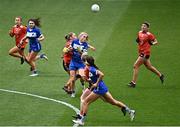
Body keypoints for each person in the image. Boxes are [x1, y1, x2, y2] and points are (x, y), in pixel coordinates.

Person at [72, 56, 135, 125]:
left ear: (88, 62)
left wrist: (96, 83)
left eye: (86, 61)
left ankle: (82, 120)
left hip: (99, 89)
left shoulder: (92, 69)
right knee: (113, 101)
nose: (84, 62)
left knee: (86, 102)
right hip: (101, 87)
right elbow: (92, 78)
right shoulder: (88, 68)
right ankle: (130, 111)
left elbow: (102, 74)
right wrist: (86, 79)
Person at [128, 22, 164, 88]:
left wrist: (151, 43)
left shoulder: (149, 35)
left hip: (145, 53)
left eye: (144, 26)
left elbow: (156, 41)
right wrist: (139, 41)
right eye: (142, 26)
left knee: (135, 66)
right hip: (141, 52)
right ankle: (160, 75)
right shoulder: (139, 32)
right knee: (149, 67)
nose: (142, 27)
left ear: (148, 28)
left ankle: (133, 83)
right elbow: (138, 40)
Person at [65, 32, 95, 97]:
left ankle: (91, 84)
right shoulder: (74, 41)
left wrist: (81, 53)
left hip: (81, 63)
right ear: (80, 36)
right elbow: (70, 47)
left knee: (83, 77)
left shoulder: (85, 45)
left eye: (86, 37)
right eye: (84, 36)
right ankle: (73, 92)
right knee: (72, 78)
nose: (84, 38)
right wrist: (68, 49)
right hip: (73, 62)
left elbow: (85, 55)